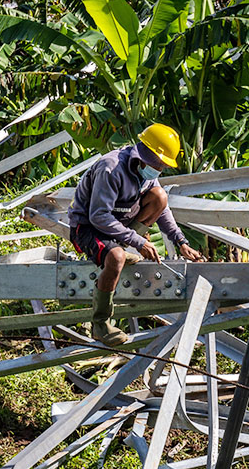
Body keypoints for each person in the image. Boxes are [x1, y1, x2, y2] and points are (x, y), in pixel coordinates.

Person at [67, 123, 203, 347]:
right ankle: (100, 323)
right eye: (159, 163)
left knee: (159, 197)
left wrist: (181, 241)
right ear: (146, 156)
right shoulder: (111, 169)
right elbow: (98, 216)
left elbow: (162, 210)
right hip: (88, 226)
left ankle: (118, 248)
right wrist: (138, 241)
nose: (160, 169)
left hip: (116, 224)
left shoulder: (146, 172)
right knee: (116, 258)